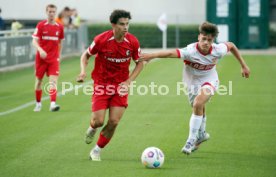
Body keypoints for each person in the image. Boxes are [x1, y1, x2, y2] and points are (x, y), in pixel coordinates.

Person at [140, 21, 250, 155]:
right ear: (199, 37)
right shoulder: (190, 51)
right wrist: (151, 56)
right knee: (198, 107)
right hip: (191, 82)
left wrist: (243, 65)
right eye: (204, 39)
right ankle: (202, 134)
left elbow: (231, 46)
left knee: (198, 103)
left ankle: (191, 140)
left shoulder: (218, 50)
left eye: (209, 40)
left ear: (213, 40)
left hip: (210, 80)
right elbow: (170, 53)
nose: (206, 42)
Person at [77, 9, 144, 161]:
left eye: (127, 24)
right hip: (102, 84)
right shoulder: (101, 39)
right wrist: (83, 71)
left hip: (120, 86)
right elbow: (85, 55)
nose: (125, 27)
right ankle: (93, 127)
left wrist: (128, 82)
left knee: (113, 122)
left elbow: (140, 63)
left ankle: (96, 150)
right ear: (113, 25)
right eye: (122, 24)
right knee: (98, 121)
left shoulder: (132, 41)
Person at [32, 4, 64, 112]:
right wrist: (40, 50)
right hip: (41, 59)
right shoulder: (41, 25)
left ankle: (53, 104)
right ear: (46, 12)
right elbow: (34, 41)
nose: (51, 14)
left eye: (53, 12)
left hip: (53, 59)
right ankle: (38, 104)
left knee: (53, 82)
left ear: (55, 12)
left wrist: (59, 55)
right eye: (49, 11)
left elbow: (60, 42)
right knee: (38, 82)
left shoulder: (60, 27)